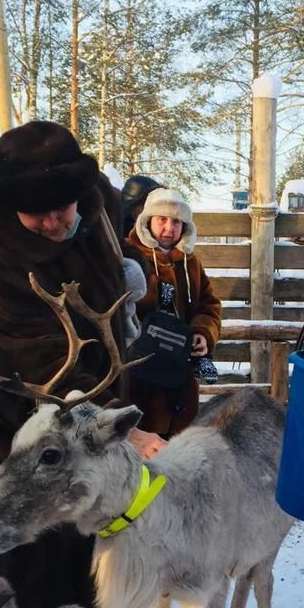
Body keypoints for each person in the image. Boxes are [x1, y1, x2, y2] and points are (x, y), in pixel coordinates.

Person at [0, 121, 162, 608]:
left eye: (61, 207)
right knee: (28, 554)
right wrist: (118, 426)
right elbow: (43, 362)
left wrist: (131, 269)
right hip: (19, 421)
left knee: (85, 533)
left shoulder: (98, 203)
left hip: (96, 403)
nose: (53, 221)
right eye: (36, 212)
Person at [125, 186, 223, 437]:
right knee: (140, 437)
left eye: (177, 222)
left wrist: (203, 333)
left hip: (181, 370)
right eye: (162, 219)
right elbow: (121, 302)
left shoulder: (190, 260)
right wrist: (155, 293)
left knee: (179, 440)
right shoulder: (129, 254)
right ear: (147, 221)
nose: (170, 228)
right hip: (141, 367)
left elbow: (208, 304)